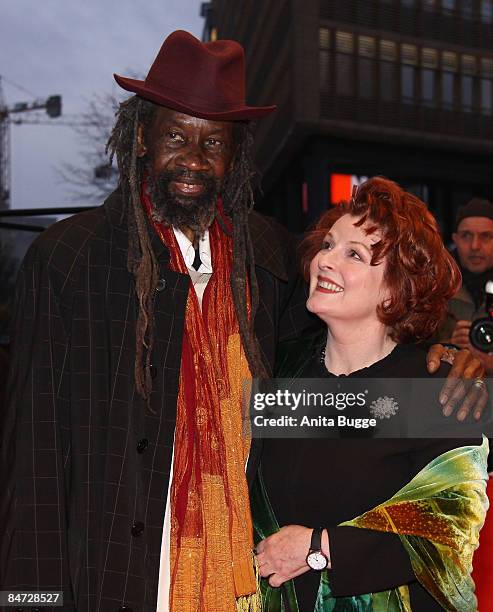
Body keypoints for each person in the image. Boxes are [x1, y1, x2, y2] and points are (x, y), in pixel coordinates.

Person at [0, 32, 485, 612]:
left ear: (235, 159)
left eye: (215, 143)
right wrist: (30, 599)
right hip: (113, 577)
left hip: (240, 587)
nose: (194, 160)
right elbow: (33, 459)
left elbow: (362, 397)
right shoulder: (71, 259)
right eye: (177, 136)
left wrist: (454, 362)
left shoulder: (265, 258)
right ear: (139, 141)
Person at [252, 178, 489, 611]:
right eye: (328, 244)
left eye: (354, 255)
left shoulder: (439, 390)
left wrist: (320, 548)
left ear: (395, 290)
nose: (326, 260)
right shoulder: (281, 373)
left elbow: (447, 531)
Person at [436, 197, 493, 375]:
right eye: (466, 236)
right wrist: (448, 346)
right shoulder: (434, 288)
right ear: (455, 239)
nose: (475, 246)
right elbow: (411, 350)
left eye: (486, 236)